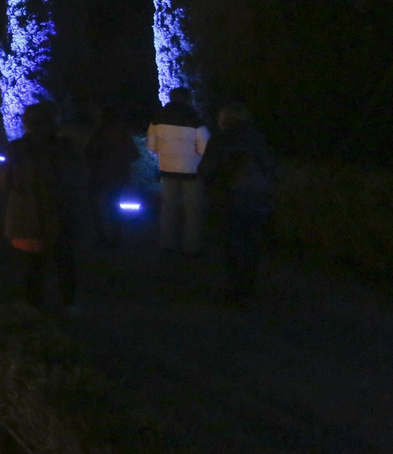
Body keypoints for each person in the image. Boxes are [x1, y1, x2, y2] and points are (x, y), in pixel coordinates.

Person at [0, 101, 79, 312]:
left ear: (27, 123)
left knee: (31, 269)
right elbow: (77, 179)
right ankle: (69, 304)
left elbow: (5, 181)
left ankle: (33, 311)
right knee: (64, 264)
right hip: (61, 216)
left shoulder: (17, 148)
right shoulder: (66, 148)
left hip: (27, 218)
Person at [198, 102, 278, 305]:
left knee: (232, 242)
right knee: (252, 241)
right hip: (256, 195)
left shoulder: (221, 139)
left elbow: (207, 169)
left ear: (225, 119)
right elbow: (269, 165)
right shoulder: (259, 138)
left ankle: (234, 287)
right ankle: (249, 286)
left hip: (229, 196)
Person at [146, 87, 210, 254]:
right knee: (193, 210)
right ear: (188, 99)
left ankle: (167, 243)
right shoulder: (195, 119)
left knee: (168, 207)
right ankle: (192, 246)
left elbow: (151, 146)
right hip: (192, 171)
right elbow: (205, 149)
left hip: (167, 169)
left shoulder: (157, 119)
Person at [85, 106, 138, 246]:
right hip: (117, 174)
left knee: (95, 204)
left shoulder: (99, 132)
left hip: (100, 173)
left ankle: (102, 235)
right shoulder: (121, 132)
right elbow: (134, 155)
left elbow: (88, 154)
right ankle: (115, 237)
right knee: (113, 205)